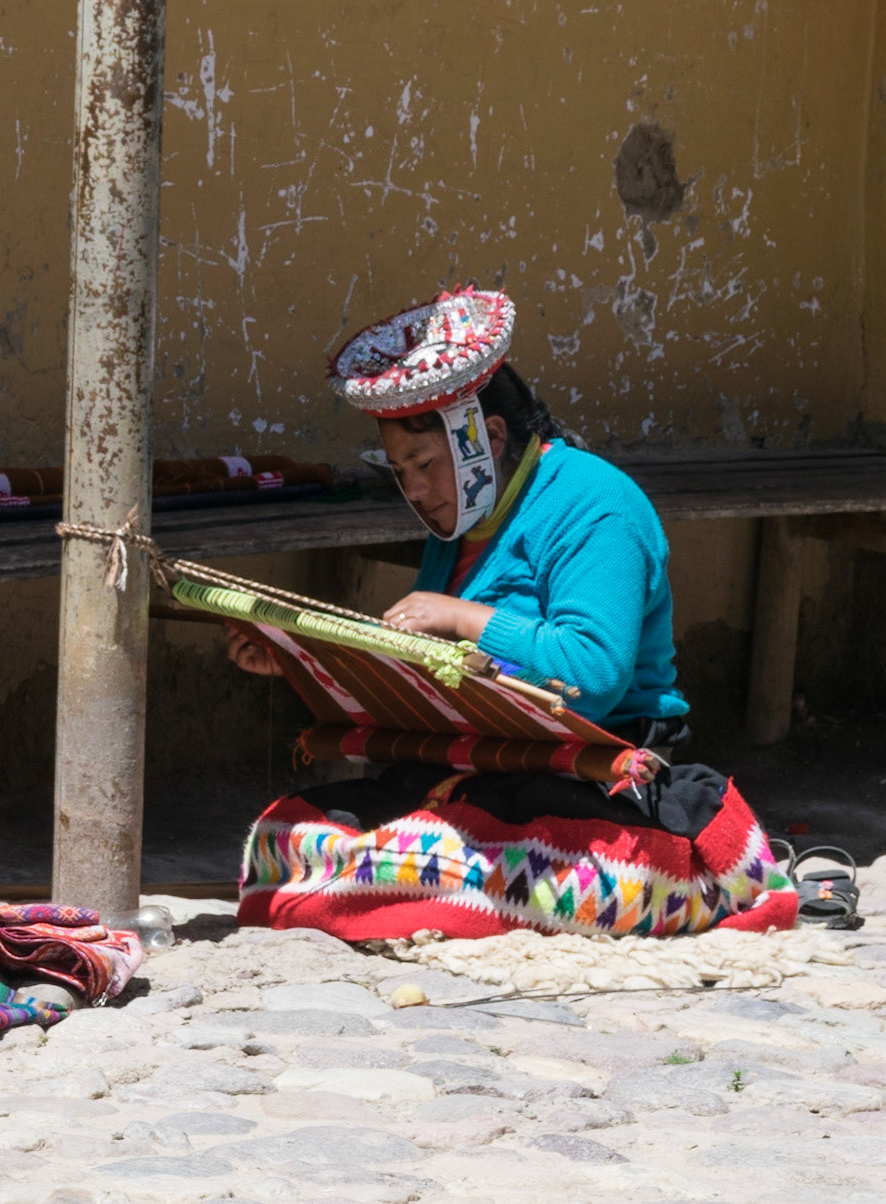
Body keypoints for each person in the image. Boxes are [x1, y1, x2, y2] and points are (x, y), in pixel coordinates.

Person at [226, 287, 724, 840]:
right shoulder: (464, 518)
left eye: (424, 463)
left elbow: (593, 677)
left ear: (487, 438)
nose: (413, 489)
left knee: (392, 866)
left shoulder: (598, 506)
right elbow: (430, 672)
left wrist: (460, 618)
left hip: (587, 779)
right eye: (397, 469)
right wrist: (304, 659)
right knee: (289, 837)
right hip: (480, 768)